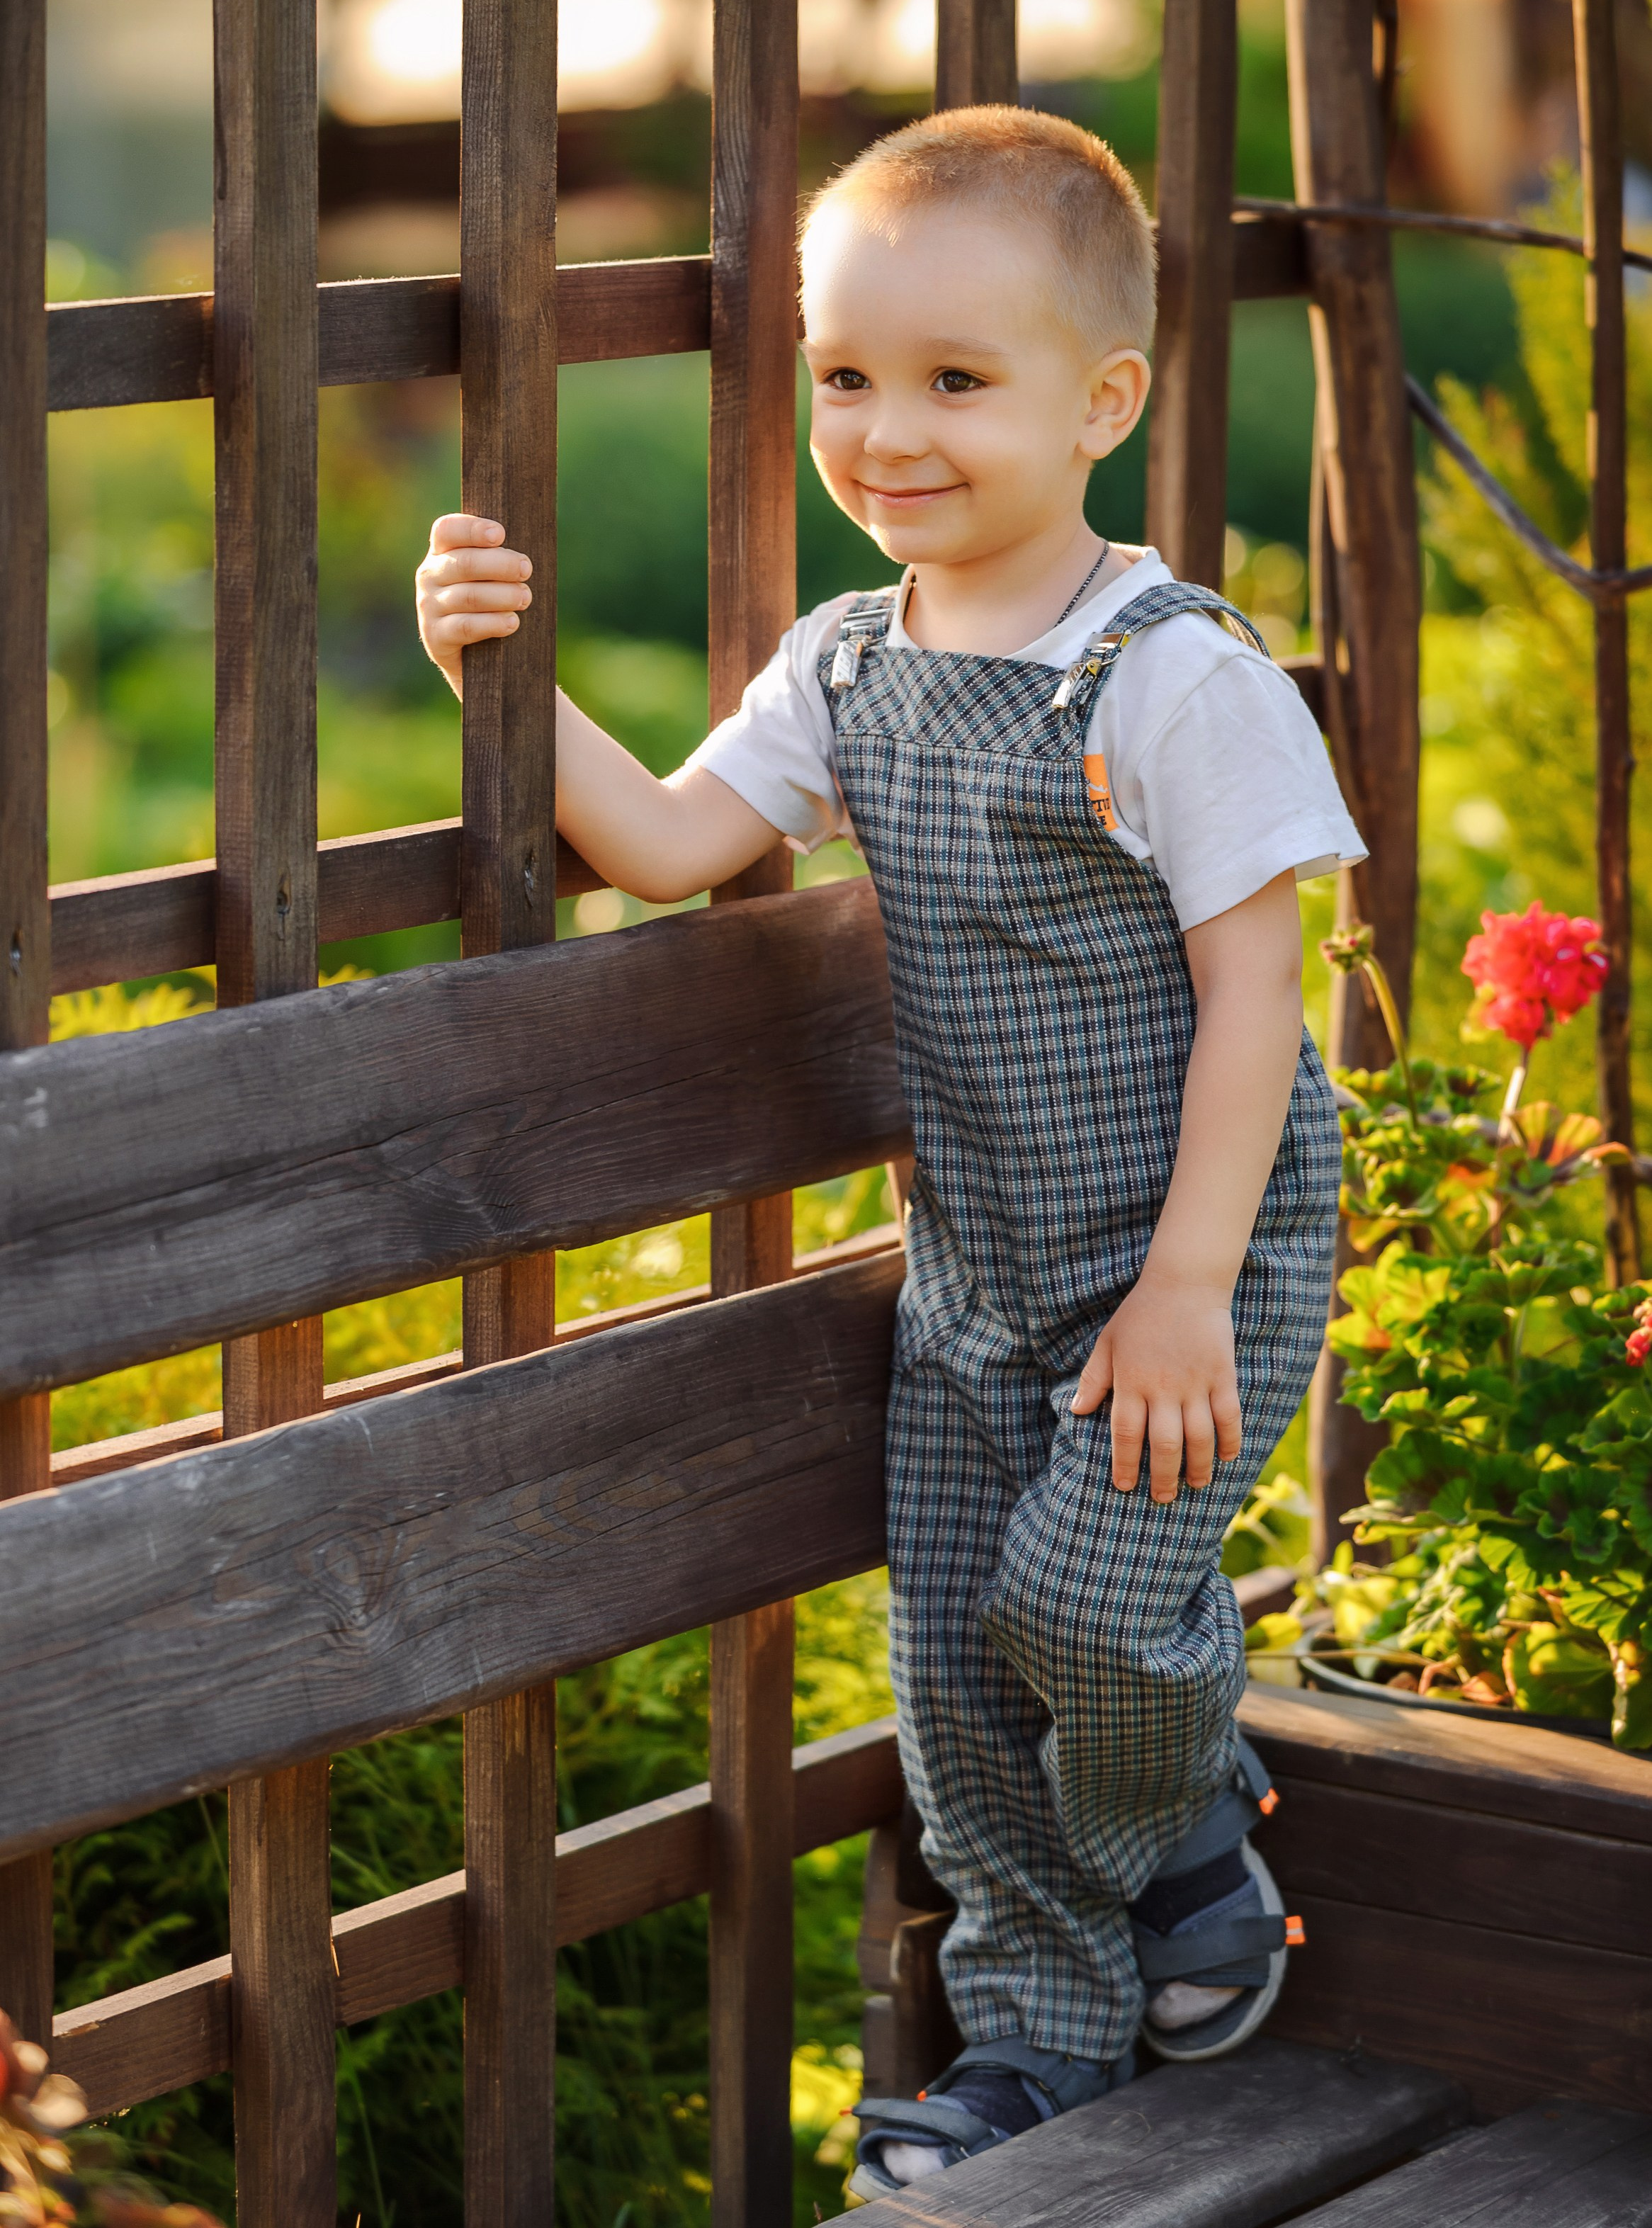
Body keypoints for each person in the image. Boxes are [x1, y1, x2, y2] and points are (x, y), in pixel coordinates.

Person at [414, 107, 1363, 2199]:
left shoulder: (1169, 674)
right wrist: (501, 657)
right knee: (947, 1669)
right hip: (977, 1280)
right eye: (845, 375)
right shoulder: (848, 663)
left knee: (1087, 1609)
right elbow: (670, 841)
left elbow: (1251, 1002)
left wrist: (1191, 1278)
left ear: (1101, 399)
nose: (886, 428)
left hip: (1186, 1256)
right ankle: (1039, 2038)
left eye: (956, 378)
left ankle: (1187, 1816)